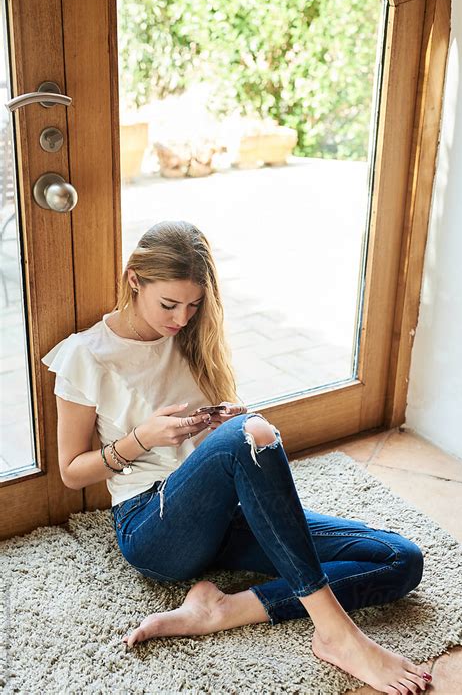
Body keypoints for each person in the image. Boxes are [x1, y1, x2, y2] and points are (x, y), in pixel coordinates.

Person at [42, 220, 433, 694]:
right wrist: (141, 438)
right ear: (133, 280)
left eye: (193, 304)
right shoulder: (86, 354)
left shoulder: (192, 336)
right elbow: (71, 472)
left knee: (400, 559)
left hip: (227, 511)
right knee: (252, 434)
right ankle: (336, 633)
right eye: (169, 304)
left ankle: (227, 609)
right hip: (152, 523)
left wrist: (215, 422)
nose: (181, 318)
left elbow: (218, 445)